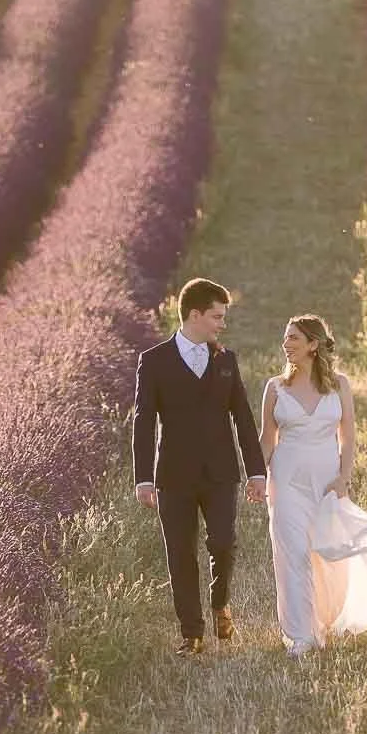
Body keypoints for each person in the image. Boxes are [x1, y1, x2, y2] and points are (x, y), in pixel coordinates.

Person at [260, 314, 367, 656]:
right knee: (293, 554)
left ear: (313, 344)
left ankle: (324, 619)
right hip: (286, 480)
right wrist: (255, 476)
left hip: (326, 482)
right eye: (286, 337)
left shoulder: (339, 386)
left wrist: (343, 477)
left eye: (293, 338)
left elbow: (348, 436)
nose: (286, 344)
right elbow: (266, 438)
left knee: (329, 556)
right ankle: (301, 635)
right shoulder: (275, 387)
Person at [132, 278, 267, 655]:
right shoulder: (154, 361)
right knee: (180, 554)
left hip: (221, 472)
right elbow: (143, 421)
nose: (222, 324)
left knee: (223, 542)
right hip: (173, 476)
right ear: (195, 315)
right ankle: (191, 633)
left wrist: (256, 471)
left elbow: (243, 417)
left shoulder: (226, 360)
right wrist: (143, 478)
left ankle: (220, 602)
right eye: (217, 316)